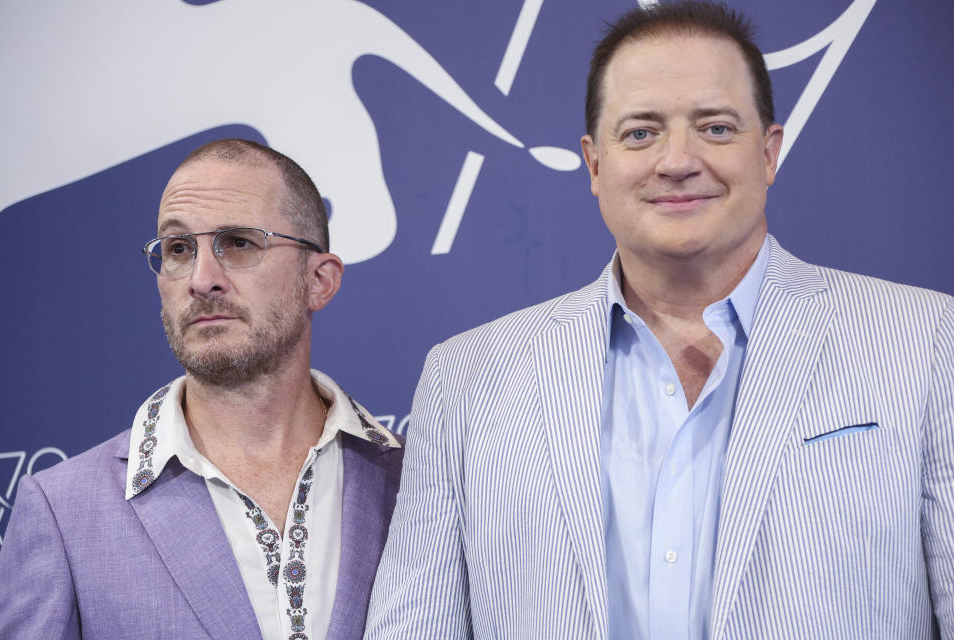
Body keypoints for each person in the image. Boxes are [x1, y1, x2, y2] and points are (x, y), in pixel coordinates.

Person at [365, 2, 954, 638]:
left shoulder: (924, 344)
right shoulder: (468, 381)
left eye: (717, 128)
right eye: (641, 133)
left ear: (769, 152)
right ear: (594, 164)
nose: (677, 160)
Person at [0, 139, 403, 640]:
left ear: (319, 280)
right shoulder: (61, 510)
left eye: (238, 243)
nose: (201, 279)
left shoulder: (415, 479)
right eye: (178, 249)